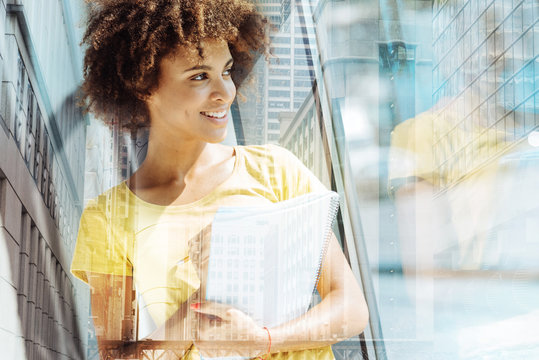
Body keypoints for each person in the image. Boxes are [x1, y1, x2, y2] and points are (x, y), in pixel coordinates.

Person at [70, 0, 369, 359]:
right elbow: (116, 356)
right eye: (199, 76)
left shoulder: (276, 170)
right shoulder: (109, 216)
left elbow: (350, 309)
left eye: (226, 71)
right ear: (143, 84)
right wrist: (199, 301)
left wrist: (263, 340)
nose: (225, 92)